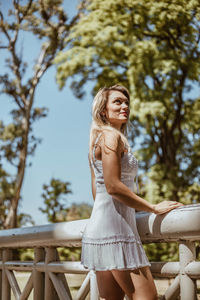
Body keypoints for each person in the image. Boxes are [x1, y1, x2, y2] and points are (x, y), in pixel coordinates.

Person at [81, 84, 183, 300]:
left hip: (100, 228)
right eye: (117, 101)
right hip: (116, 231)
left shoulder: (96, 141)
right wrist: (153, 208)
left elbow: (96, 193)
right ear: (103, 111)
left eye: (126, 102)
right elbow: (113, 187)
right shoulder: (111, 137)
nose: (124, 106)